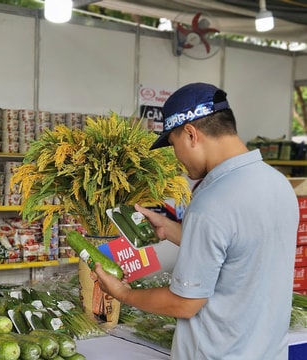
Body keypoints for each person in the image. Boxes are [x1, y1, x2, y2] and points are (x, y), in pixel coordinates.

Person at [94, 82, 299, 359]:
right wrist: (170, 230)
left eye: (173, 145)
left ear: (191, 134)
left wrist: (122, 293)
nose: (178, 159)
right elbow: (240, 248)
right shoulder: (278, 184)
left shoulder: (212, 201)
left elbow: (184, 303)